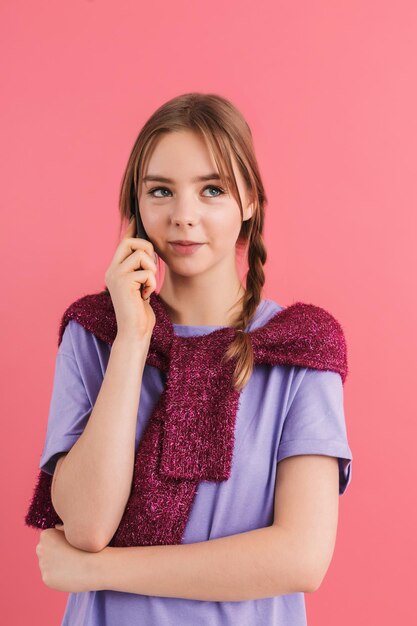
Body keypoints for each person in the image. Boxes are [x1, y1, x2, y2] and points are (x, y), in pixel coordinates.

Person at [32, 92, 353, 625]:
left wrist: (97, 571)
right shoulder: (96, 334)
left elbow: (301, 557)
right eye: (161, 190)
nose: (184, 217)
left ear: (250, 200)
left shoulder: (301, 346)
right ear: (137, 203)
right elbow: (87, 525)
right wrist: (134, 340)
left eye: (212, 190)